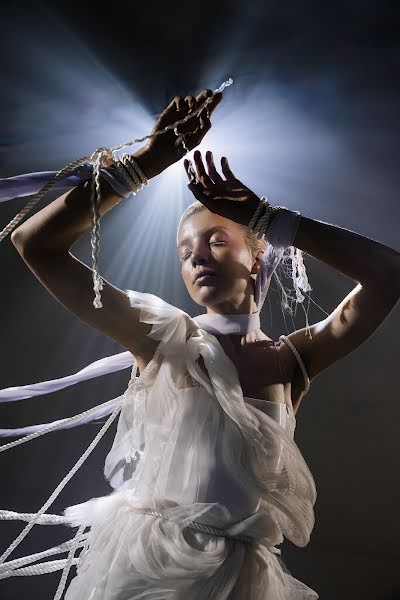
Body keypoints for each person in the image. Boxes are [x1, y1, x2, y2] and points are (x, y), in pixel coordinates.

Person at [7, 87, 400, 599]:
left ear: (256, 256)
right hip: (152, 568)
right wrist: (143, 164)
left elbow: (389, 273)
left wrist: (273, 219)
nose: (197, 257)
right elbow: (33, 242)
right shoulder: (163, 338)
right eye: (185, 250)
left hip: (244, 582)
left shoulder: (292, 360)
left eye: (216, 239)